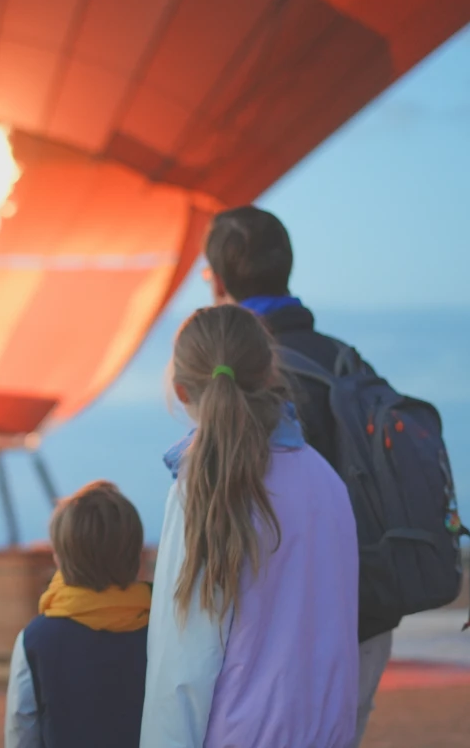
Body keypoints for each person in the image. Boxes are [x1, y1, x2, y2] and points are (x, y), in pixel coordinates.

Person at [203, 205, 397, 745]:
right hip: (366, 615)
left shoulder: (249, 377)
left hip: (281, 634)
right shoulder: (346, 361)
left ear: (217, 280)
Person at [140, 305, 359, 747]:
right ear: (269, 372)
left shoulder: (201, 490)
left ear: (182, 392)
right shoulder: (328, 484)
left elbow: (182, 666)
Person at [5, 480, 151, 748]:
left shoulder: (35, 639)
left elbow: (21, 729)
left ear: (60, 558)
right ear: (136, 555)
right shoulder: (162, 633)